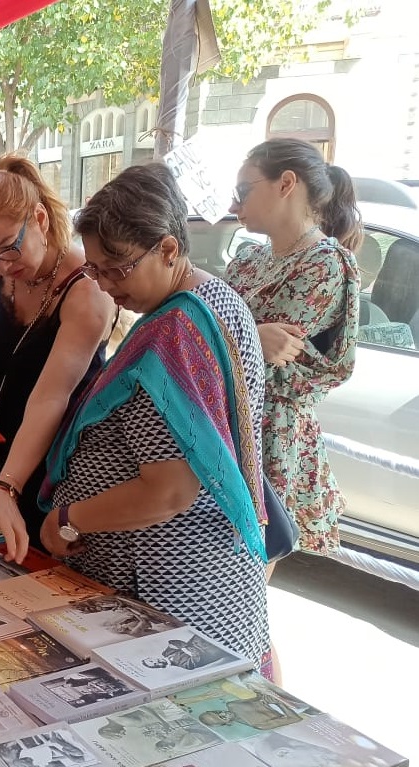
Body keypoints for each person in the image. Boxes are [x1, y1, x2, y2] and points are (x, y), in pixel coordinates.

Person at [37, 163, 272, 673]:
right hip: (203, 582)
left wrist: (68, 521)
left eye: (116, 268)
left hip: (169, 595)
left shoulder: (175, 335)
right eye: (94, 269)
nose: (104, 286)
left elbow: (168, 491)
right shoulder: (217, 299)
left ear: (168, 250)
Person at [0, 156, 114, 559]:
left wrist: (7, 485)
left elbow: (50, 398)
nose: (2, 264)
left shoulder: (87, 291)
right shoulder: (0, 270)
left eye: (8, 248)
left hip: (59, 465)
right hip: (7, 450)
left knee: (49, 574)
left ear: (39, 218)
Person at [224, 138, 362, 556]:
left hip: (267, 431)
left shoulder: (326, 264)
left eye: (244, 191)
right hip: (222, 409)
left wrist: (234, 333)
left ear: (286, 183)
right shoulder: (248, 259)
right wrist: (250, 336)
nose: (235, 206)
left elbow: (275, 358)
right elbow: (209, 331)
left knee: (243, 567)